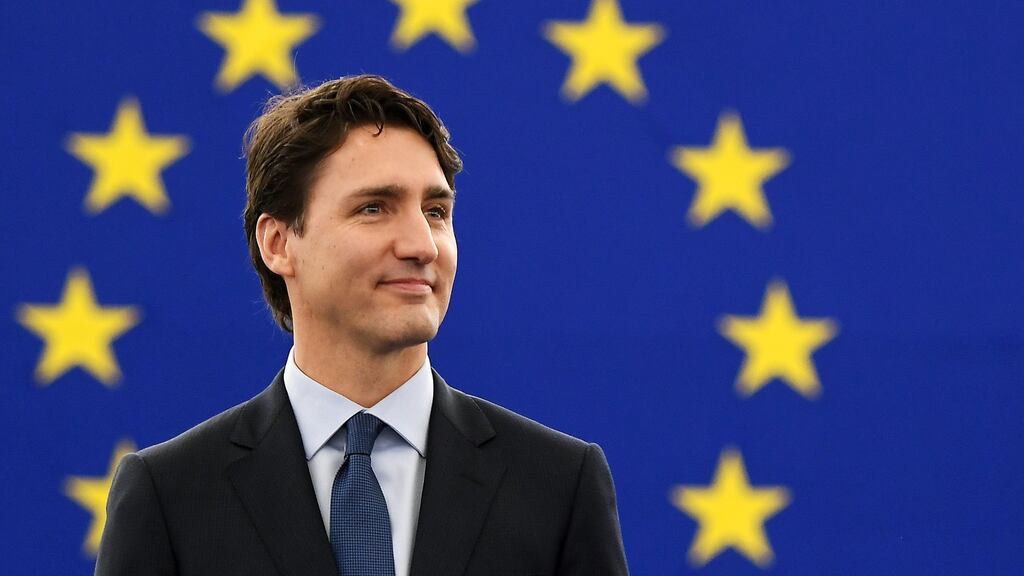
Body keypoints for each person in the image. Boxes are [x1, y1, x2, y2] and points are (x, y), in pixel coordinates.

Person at [96, 74, 628, 576]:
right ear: (278, 243)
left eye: (437, 212)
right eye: (374, 208)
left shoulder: (558, 485)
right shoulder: (169, 494)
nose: (422, 245)